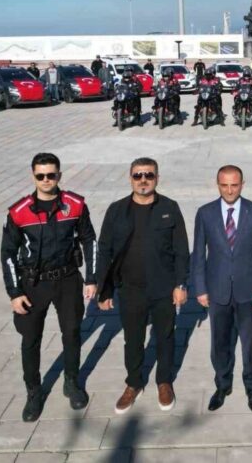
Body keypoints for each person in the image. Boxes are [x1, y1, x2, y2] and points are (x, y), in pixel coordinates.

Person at [0, 153, 98, 422]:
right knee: (30, 338)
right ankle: (34, 391)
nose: (46, 180)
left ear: (59, 176)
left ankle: (72, 381)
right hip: (33, 283)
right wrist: (14, 292)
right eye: (40, 175)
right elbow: (7, 253)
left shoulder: (75, 205)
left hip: (68, 279)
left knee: (72, 332)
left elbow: (89, 240)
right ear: (33, 176)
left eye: (51, 175)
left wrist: (91, 278)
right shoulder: (19, 212)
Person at [97, 158, 189, 414]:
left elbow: (182, 250)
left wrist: (181, 284)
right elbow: (104, 250)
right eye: (138, 175)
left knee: (165, 336)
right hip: (130, 288)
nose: (143, 180)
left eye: (149, 175)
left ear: (157, 178)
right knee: (133, 339)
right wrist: (104, 289)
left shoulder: (170, 207)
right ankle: (134, 383)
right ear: (130, 178)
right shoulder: (116, 210)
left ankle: (164, 381)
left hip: (163, 287)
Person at [192, 165, 252, 413]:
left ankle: (251, 387)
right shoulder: (205, 213)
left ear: (242, 184)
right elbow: (198, 254)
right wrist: (200, 288)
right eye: (224, 185)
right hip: (217, 290)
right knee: (219, 343)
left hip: (249, 291)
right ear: (217, 184)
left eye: (234, 185)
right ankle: (222, 385)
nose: (229, 190)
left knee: (250, 343)